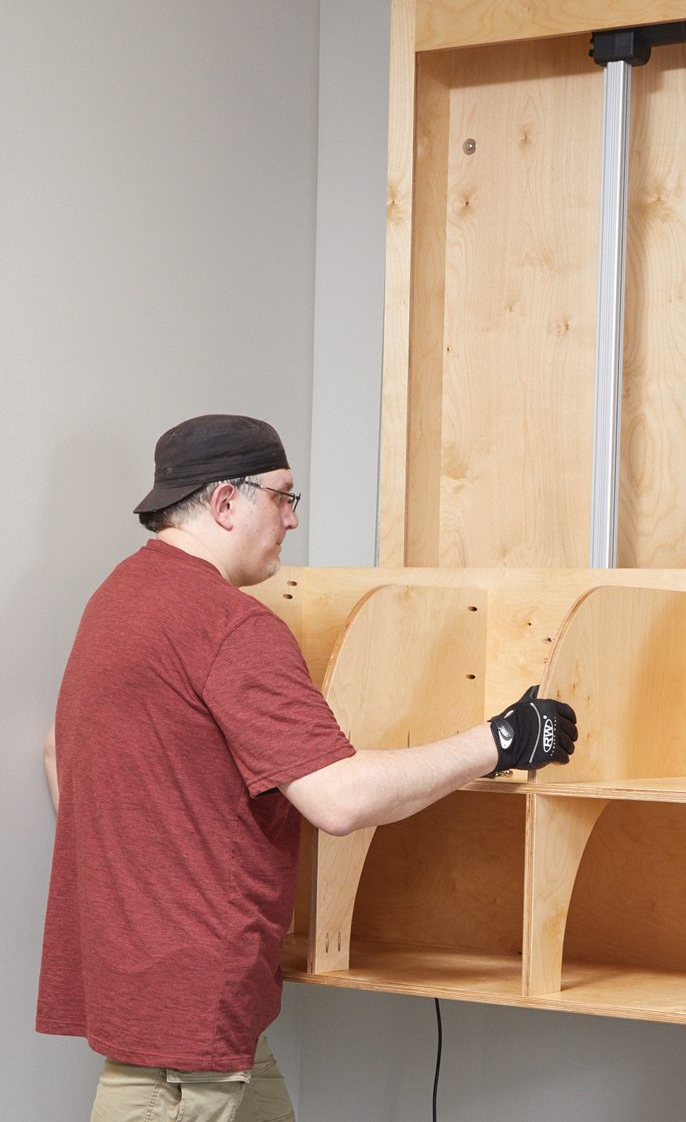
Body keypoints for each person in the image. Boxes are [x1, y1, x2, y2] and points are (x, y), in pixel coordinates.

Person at [37, 414, 578, 1122]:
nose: (292, 520)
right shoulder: (231, 625)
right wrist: (502, 740)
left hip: (164, 1000)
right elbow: (338, 799)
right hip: (190, 1030)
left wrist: (140, 891)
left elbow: (58, 753)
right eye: (283, 496)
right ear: (226, 503)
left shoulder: (117, 599)